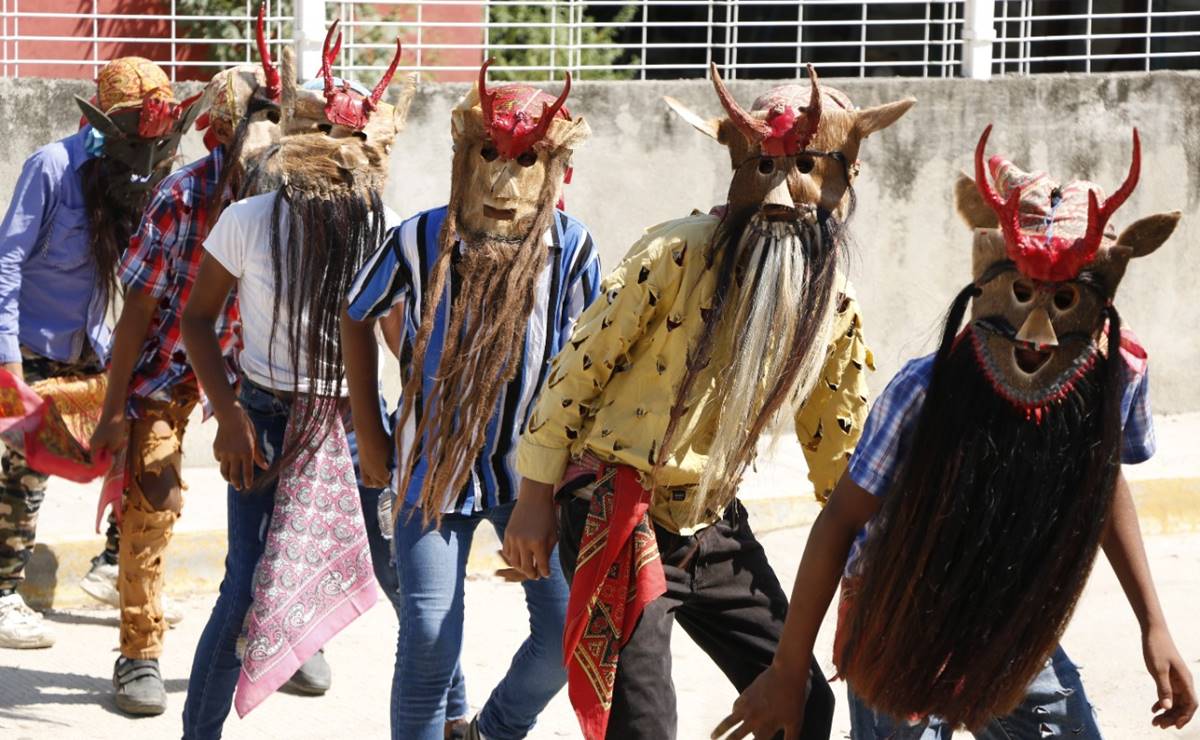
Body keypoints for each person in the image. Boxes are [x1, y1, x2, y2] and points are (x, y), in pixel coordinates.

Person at [716, 127, 1197, 739]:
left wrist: (1153, 623)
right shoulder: (926, 393)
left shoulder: (1111, 380)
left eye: (1066, 300)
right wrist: (787, 671)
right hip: (897, 614)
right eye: (1022, 295)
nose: (1039, 334)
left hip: (1013, 621)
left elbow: (1102, 485)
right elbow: (841, 520)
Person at [503, 64, 913, 739]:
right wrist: (535, 495)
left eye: (806, 166)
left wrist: (876, 557)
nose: (781, 195)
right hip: (617, 506)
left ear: (844, 178)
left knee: (803, 704)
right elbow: (577, 371)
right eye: (765, 165)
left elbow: (836, 443)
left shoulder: (833, 301)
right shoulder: (675, 251)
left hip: (712, 520)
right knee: (643, 727)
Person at [342, 59, 598, 740]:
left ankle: (492, 731)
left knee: (565, 638)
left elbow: (590, 363)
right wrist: (370, 430)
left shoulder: (573, 251)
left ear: (556, 169)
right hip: (432, 470)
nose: (505, 182)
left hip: (534, 478)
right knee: (427, 636)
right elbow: (356, 312)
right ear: (463, 156)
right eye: (489, 155)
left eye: (528, 160)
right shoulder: (420, 238)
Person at [178, 26, 411, 736]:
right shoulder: (250, 219)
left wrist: (417, 419)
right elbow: (197, 321)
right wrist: (229, 414)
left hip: (356, 421)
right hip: (265, 418)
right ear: (294, 139)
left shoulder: (385, 228)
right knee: (243, 584)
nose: (338, 155)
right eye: (323, 136)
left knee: (405, 577)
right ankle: (199, 732)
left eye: (353, 141)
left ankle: (448, 714)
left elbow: (401, 338)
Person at [86, 13, 285, 713]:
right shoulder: (181, 199)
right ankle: (138, 652)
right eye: (255, 128)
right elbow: (137, 313)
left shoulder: (295, 199)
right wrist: (114, 414)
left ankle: (286, 638)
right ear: (221, 136)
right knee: (152, 501)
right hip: (168, 374)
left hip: (255, 375)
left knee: (281, 504)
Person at [0, 57, 194, 650]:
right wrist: (7, 366)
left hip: (98, 346)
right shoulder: (53, 168)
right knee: (20, 472)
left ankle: (114, 565)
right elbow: (6, 263)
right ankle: (3, 594)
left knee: (139, 448)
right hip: (34, 345)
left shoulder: (152, 174)